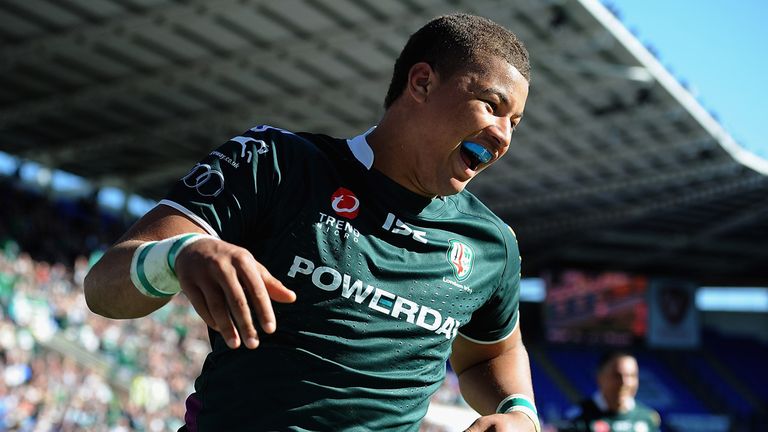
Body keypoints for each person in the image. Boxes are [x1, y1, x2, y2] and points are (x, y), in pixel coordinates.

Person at [84, 13, 538, 432]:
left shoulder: (491, 244)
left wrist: (519, 414)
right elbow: (103, 288)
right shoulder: (275, 162)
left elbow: (492, 354)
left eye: (514, 122)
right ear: (421, 83)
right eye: (491, 106)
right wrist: (178, 254)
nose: (503, 136)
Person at [564, 351, 661, 432]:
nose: (624, 382)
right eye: (617, 376)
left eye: (631, 376)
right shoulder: (579, 418)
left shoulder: (647, 417)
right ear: (600, 378)